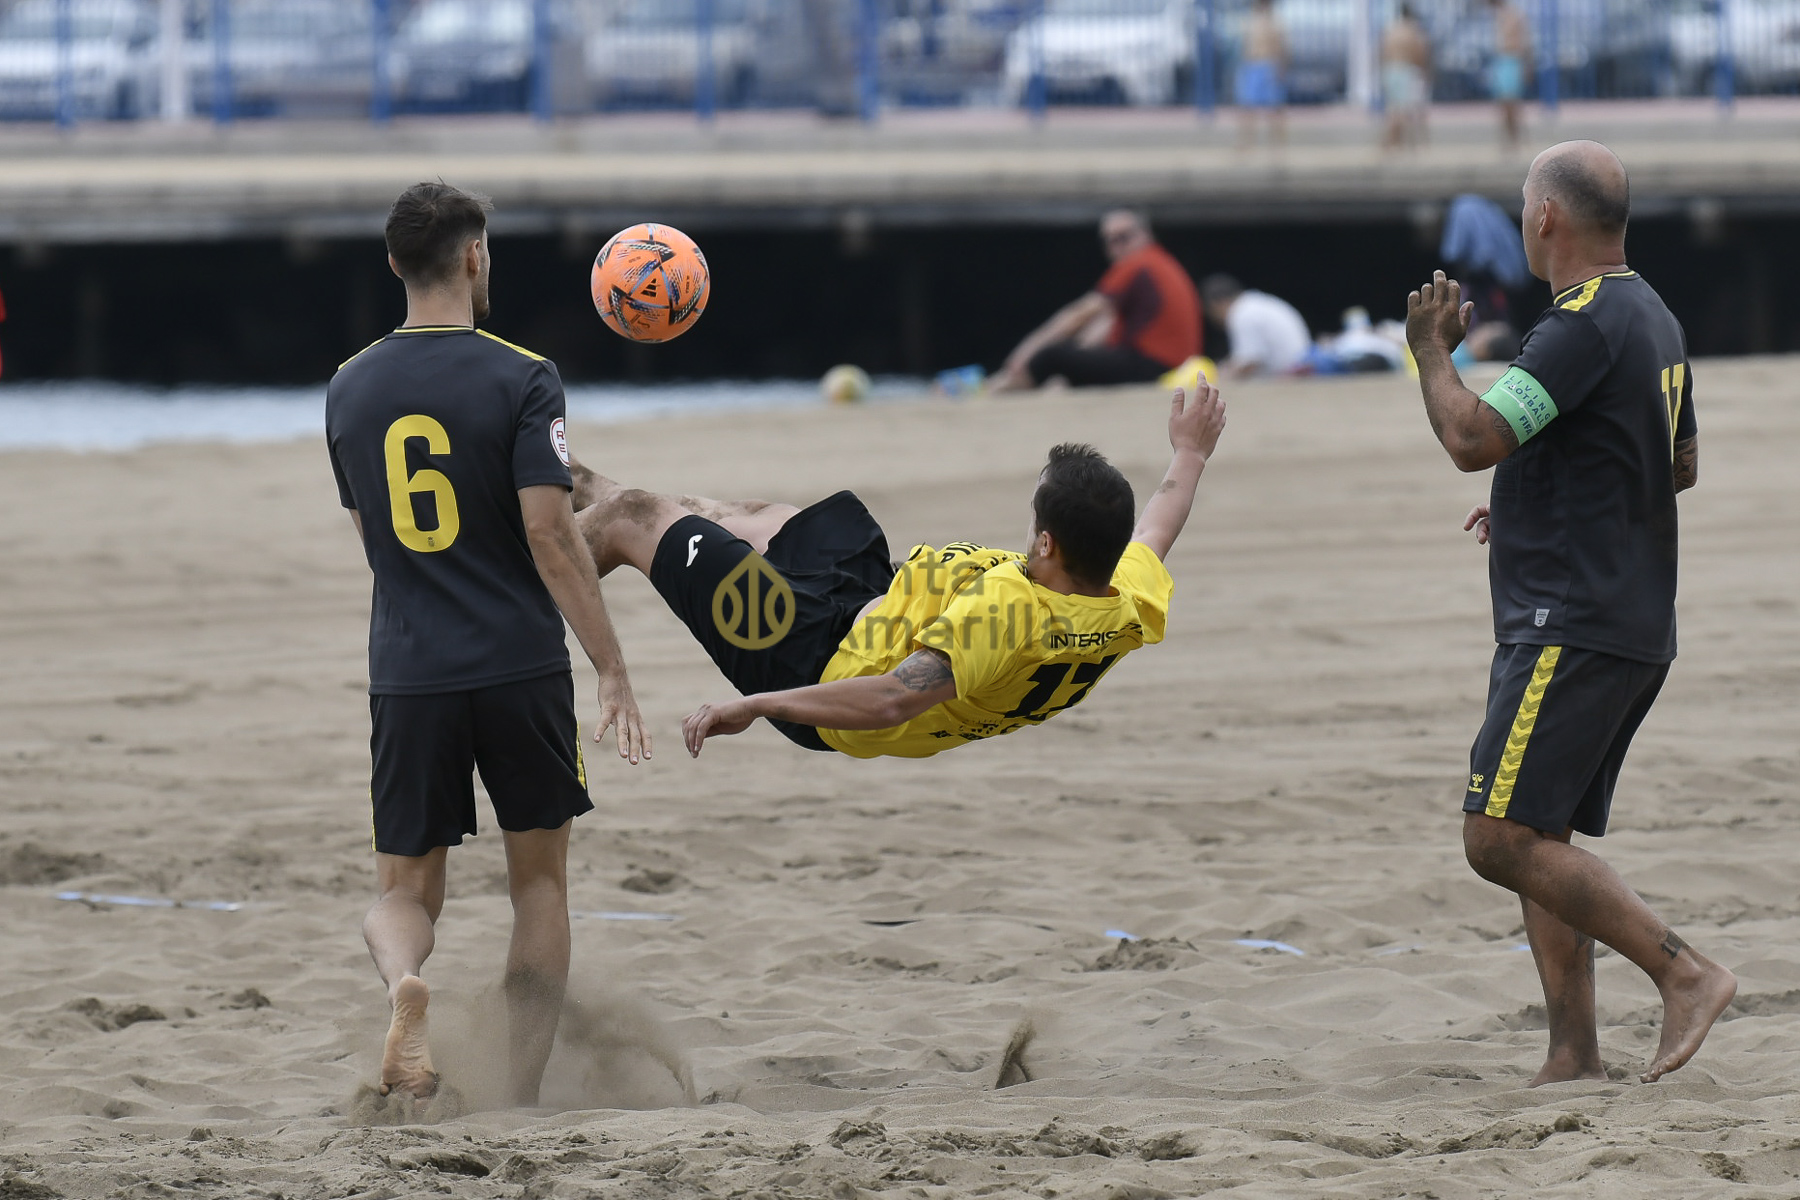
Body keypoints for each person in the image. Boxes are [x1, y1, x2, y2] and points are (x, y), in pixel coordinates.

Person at [1403, 141, 1735, 1086]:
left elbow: (1470, 436)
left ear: (1546, 215)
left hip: (1572, 621)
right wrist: (1533, 495)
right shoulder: (1653, 314)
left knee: (1497, 835)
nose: (1522, 216)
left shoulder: (1580, 323)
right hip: (1628, 619)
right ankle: (1573, 1052)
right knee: (1540, 832)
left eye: (1523, 202)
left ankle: (1685, 973)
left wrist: (1432, 350)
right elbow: (1677, 463)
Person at [325, 182, 649, 1104]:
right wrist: (612, 667)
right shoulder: (525, 374)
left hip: (410, 670)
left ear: (395, 263)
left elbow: (375, 540)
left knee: (403, 893)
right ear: (474, 257)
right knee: (538, 886)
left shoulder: (349, 384)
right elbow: (551, 535)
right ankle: (519, 1095)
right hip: (518, 664)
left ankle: (405, 983)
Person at [569, 383, 1226, 760]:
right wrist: (1189, 452)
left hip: (809, 659)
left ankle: (536, 569)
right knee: (755, 519)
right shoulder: (1123, 599)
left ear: (1048, 542)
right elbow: (1157, 527)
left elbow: (893, 698)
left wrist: (754, 704)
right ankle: (569, 484)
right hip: (874, 598)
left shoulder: (1007, 615)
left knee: (634, 517)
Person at [991, 210, 1202, 391]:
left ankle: (998, 390)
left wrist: (1026, 352)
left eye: (1124, 237)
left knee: (1051, 356)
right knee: (1070, 363)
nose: (1117, 246)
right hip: (1169, 363)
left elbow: (1078, 315)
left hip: (1155, 364)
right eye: (1109, 240)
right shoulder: (1159, 264)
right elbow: (1104, 325)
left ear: (1146, 234)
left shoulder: (1139, 263)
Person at [1200, 274, 1310, 379]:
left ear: (1218, 303)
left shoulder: (1242, 313)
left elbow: (1248, 364)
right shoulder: (1252, 303)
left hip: (1294, 374)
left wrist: (1218, 377)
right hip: (1300, 366)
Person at [1235, 0, 1288, 149]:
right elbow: (1245, 47)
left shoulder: (1276, 22)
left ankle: (1277, 143)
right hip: (1252, 66)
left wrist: (1281, 67)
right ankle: (1246, 142)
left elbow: (1282, 47)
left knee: (1274, 108)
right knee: (1247, 107)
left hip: (1269, 65)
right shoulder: (1250, 21)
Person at [1382, 4, 1431, 150]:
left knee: (1394, 108)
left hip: (1390, 70)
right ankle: (1409, 143)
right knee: (1408, 110)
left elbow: (1382, 52)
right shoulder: (1412, 31)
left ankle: (1395, 142)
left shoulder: (1391, 31)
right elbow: (1420, 52)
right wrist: (1424, 71)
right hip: (1406, 70)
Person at [1489, 0, 1531, 149]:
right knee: (1503, 104)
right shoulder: (1500, 16)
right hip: (1503, 60)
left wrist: (1526, 65)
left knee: (1512, 104)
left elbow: (1524, 42)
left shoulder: (1513, 15)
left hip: (1512, 60)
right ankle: (1509, 139)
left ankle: (1516, 139)